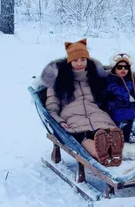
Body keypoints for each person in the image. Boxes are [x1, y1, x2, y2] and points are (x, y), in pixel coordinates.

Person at [40, 39, 124, 167]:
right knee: (83, 136)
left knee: (104, 130)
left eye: (83, 60)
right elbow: (52, 107)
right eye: (75, 60)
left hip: (96, 112)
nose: (79, 63)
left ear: (87, 61)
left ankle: (113, 146)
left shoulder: (94, 77)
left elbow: (120, 72)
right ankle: (100, 154)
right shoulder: (58, 82)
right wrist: (60, 121)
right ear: (69, 62)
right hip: (71, 117)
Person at [102, 53, 135, 143]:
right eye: (120, 67)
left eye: (126, 67)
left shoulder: (131, 80)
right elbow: (103, 100)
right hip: (116, 112)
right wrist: (113, 104)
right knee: (125, 128)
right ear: (114, 68)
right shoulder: (109, 82)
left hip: (130, 110)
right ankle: (130, 135)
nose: (123, 69)